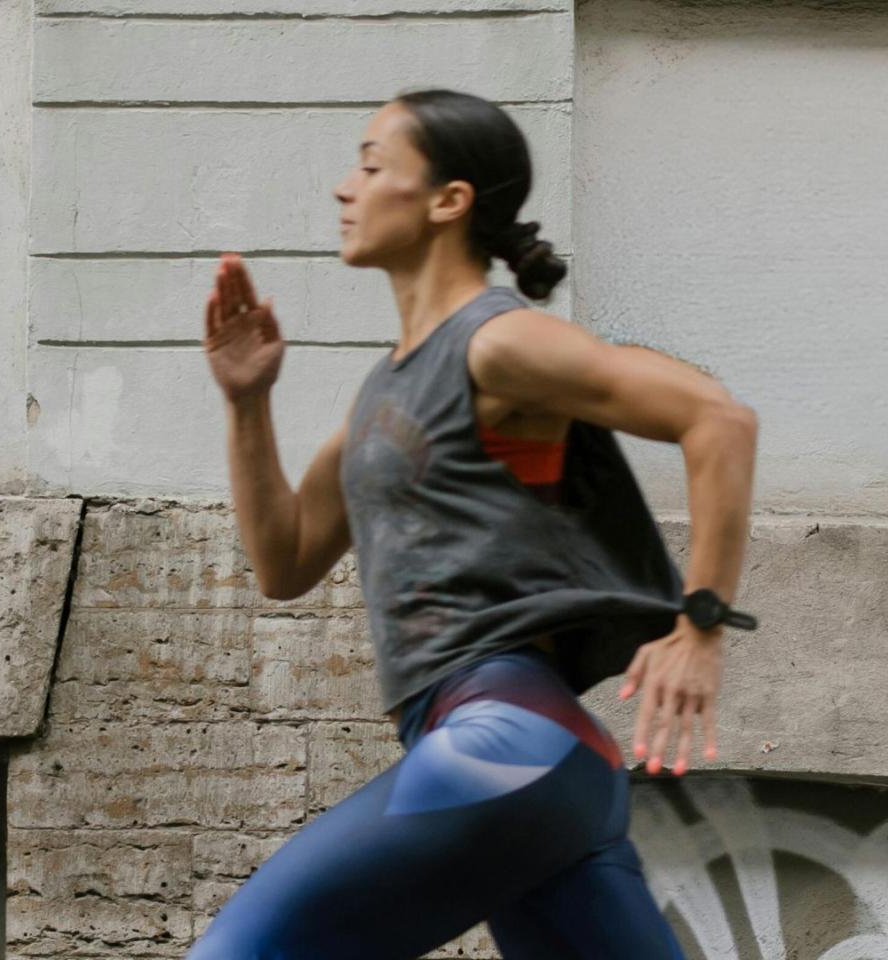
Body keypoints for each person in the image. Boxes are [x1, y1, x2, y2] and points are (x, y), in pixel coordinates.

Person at [192, 88, 758, 959]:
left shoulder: (497, 342)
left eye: (373, 165)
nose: (346, 187)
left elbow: (717, 419)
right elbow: (287, 560)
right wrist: (248, 404)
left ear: (448, 200)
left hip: (505, 743)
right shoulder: (386, 387)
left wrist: (701, 624)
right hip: (552, 771)